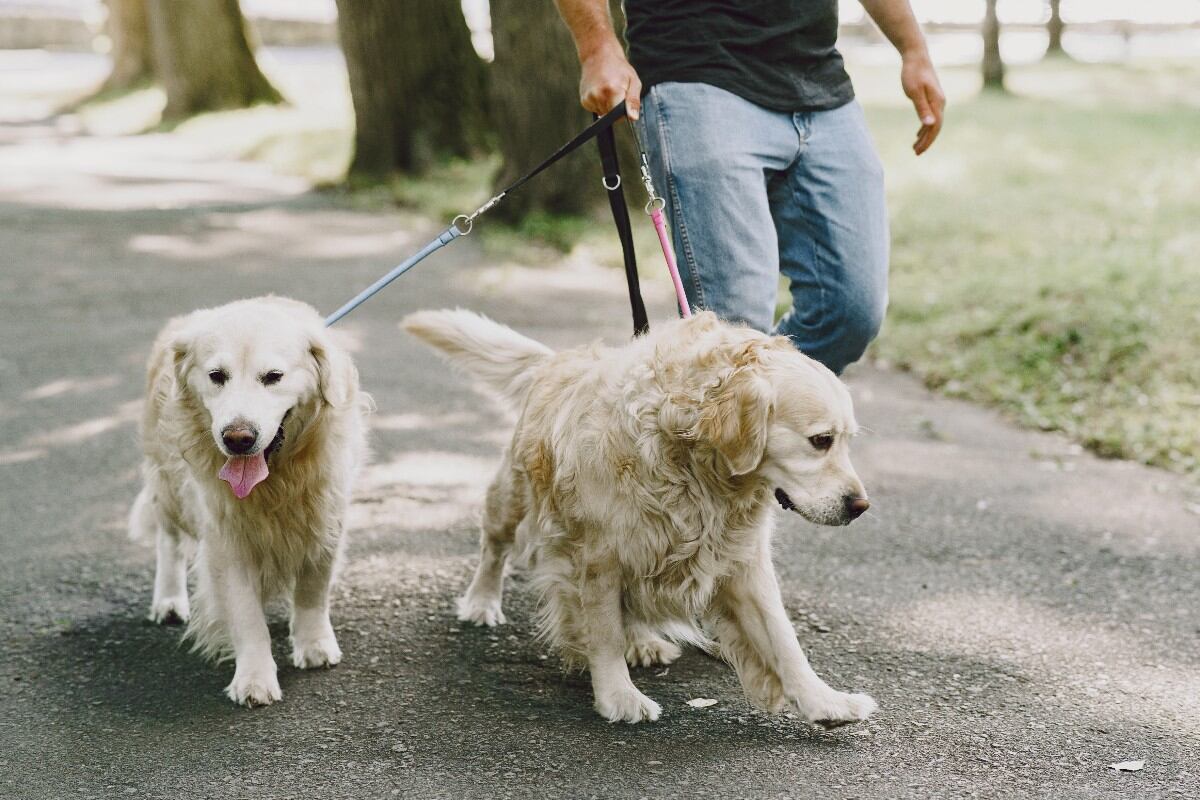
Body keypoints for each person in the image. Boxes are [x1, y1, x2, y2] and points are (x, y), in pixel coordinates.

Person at [554, 1, 945, 374]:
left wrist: (913, 48)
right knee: (732, 333)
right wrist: (596, 48)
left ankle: (754, 407)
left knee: (848, 311)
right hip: (696, 70)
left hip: (819, 79)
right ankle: (734, 421)